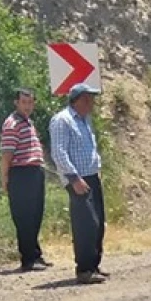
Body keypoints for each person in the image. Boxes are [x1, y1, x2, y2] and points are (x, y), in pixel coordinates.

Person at [49, 83, 108, 285]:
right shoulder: (62, 121)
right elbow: (59, 152)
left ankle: (93, 265)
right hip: (77, 178)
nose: (90, 103)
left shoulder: (85, 120)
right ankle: (83, 269)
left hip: (91, 176)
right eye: (87, 99)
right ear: (76, 100)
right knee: (86, 224)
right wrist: (73, 178)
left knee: (98, 222)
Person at [0, 88, 52, 272]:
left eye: (30, 102)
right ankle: (28, 258)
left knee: (36, 214)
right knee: (24, 217)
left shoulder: (28, 122)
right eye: (24, 102)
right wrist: (4, 178)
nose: (28, 106)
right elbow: (7, 154)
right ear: (16, 103)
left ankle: (36, 254)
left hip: (34, 172)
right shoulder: (12, 123)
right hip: (21, 174)